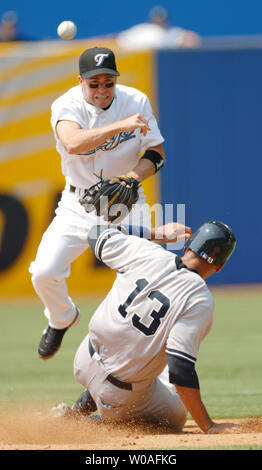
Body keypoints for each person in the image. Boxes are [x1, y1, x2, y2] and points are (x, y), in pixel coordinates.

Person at [29, 46, 166, 360]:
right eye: (94, 84)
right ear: (81, 81)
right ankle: (62, 317)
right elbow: (73, 143)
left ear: (116, 80)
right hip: (78, 204)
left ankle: (133, 362)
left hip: (124, 204)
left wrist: (132, 177)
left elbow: (156, 154)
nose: (102, 90)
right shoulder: (66, 105)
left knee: (147, 282)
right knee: (44, 273)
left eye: (108, 82)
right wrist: (119, 126)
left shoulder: (136, 101)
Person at [54, 219, 237, 434]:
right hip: (119, 396)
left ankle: (76, 411)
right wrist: (208, 425)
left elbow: (96, 232)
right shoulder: (199, 299)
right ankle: (85, 423)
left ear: (188, 245)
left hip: (84, 360)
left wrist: (156, 233)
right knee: (177, 412)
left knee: (133, 351)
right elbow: (180, 368)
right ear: (220, 266)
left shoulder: (146, 251)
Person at [117, 5, 201, 50]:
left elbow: (192, 39)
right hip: (141, 63)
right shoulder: (143, 30)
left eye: (162, 19)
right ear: (151, 19)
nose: (159, 22)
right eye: (157, 19)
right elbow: (119, 39)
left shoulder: (171, 32)